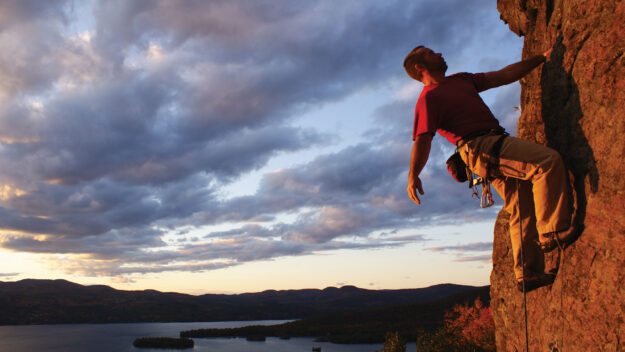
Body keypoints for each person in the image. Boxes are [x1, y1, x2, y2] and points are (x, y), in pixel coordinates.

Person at [403, 46, 579, 292]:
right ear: (419, 67)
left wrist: (539, 58)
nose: (440, 53)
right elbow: (423, 139)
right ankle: (551, 232)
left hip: (488, 147)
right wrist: (413, 175)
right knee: (545, 163)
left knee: (521, 202)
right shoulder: (428, 99)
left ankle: (527, 273)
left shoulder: (462, 80)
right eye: (431, 53)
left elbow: (503, 75)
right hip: (481, 146)